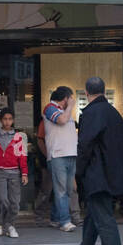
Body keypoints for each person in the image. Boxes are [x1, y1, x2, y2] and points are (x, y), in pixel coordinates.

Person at [67, 76, 123, 245]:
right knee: (93, 216)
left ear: (86, 93)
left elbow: (85, 145)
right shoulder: (114, 113)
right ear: (103, 91)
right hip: (112, 174)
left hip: (97, 174)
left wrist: (77, 172)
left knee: (104, 218)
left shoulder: (91, 113)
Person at [0, 107, 28, 238]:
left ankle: (9, 225)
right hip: (0, 172)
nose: (7, 122)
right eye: (5, 119)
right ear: (1, 120)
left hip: (14, 172)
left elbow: (22, 156)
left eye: (9, 119)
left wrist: (24, 173)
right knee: (2, 200)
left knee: (15, 202)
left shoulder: (18, 137)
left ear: (13, 120)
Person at [43, 87, 79, 232]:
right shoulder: (50, 108)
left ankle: (55, 217)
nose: (71, 101)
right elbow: (61, 120)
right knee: (61, 190)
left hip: (71, 154)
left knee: (68, 190)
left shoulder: (66, 110)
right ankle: (65, 221)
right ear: (65, 98)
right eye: (69, 98)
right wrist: (70, 106)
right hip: (58, 155)